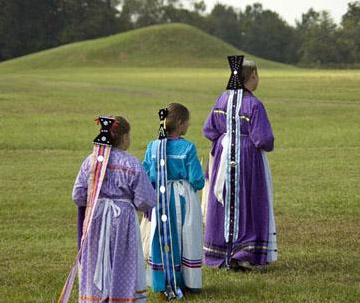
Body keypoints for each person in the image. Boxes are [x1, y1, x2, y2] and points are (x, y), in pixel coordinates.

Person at [202, 59, 277, 271]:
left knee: (225, 198)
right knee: (248, 199)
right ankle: (244, 252)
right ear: (251, 77)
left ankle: (221, 251)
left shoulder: (222, 99)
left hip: (223, 155)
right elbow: (263, 138)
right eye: (256, 76)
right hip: (247, 157)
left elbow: (209, 129)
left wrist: (225, 140)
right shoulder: (254, 104)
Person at [72, 116, 157, 303]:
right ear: (124, 137)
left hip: (96, 217)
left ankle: (95, 295)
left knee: (96, 257)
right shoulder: (131, 163)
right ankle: (121, 295)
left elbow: (78, 195)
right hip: (123, 220)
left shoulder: (91, 161)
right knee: (123, 259)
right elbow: (145, 200)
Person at [142, 103, 204, 300]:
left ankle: (162, 282)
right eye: (187, 122)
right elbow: (197, 179)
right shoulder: (188, 147)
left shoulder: (153, 146)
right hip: (181, 198)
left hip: (159, 199)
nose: (188, 125)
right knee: (184, 236)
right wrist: (199, 181)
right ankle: (186, 280)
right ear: (179, 123)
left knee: (162, 237)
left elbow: (145, 173)